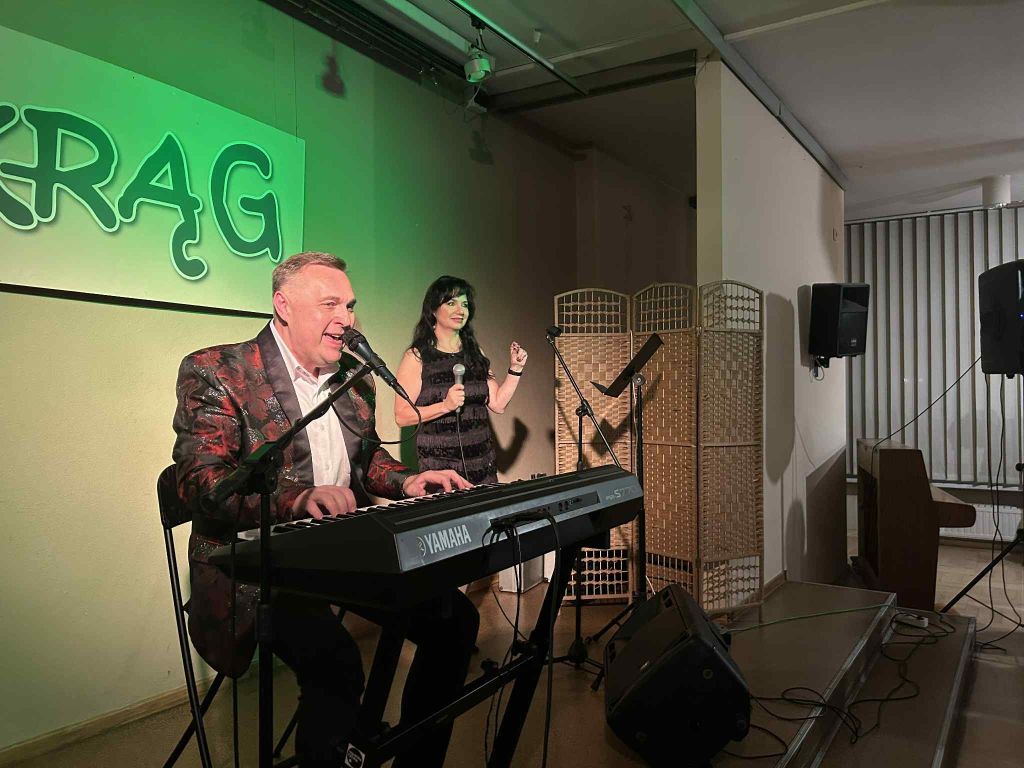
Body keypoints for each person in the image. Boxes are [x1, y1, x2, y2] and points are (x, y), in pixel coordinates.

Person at [172, 252, 479, 768]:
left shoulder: (354, 378)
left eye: (350, 305)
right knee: (336, 663)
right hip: (256, 566)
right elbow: (200, 484)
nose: (346, 319)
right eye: (330, 304)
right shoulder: (216, 371)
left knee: (454, 622)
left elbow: (368, 459)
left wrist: (408, 480)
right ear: (283, 305)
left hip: (336, 552)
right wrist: (296, 499)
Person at [394, 275, 527, 485]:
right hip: (442, 474)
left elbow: (498, 404)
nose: (460, 310)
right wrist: (445, 406)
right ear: (433, 310)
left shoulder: (475, 353)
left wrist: (515, 370)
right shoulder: (417, 356)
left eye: (464, 304)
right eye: (451, 303)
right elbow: (402, 416)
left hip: (482, 469)